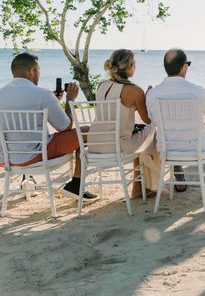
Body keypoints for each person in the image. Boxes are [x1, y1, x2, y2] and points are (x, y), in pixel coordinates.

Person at [0, 53, 96, 200]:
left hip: (7, 158)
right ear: (32, 71)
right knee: (86, 131)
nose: (39, 73)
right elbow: (65, 127)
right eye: (38, 69)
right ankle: (76, 184)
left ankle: (32, 181)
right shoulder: (42, 94)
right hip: (38, 155)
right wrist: (70, 100)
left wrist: (53, 102)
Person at [146, 49, 205, 193]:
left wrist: (147, 99)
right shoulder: (197, 91)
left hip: (167, 149)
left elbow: (153, 121)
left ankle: (181, 182)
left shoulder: (152, 94)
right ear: (184, 67)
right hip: (197, 146)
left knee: (172, 135)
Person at [91, 49, 161, 198]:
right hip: (118, 145)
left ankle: (140, 185)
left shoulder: (101, 85)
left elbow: (115, 112)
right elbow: (147, 119)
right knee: (154, 130)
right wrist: (147, 98)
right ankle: (147, 185)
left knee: (138, 136)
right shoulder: (135, 91)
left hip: (95, 143)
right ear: (130, 66)